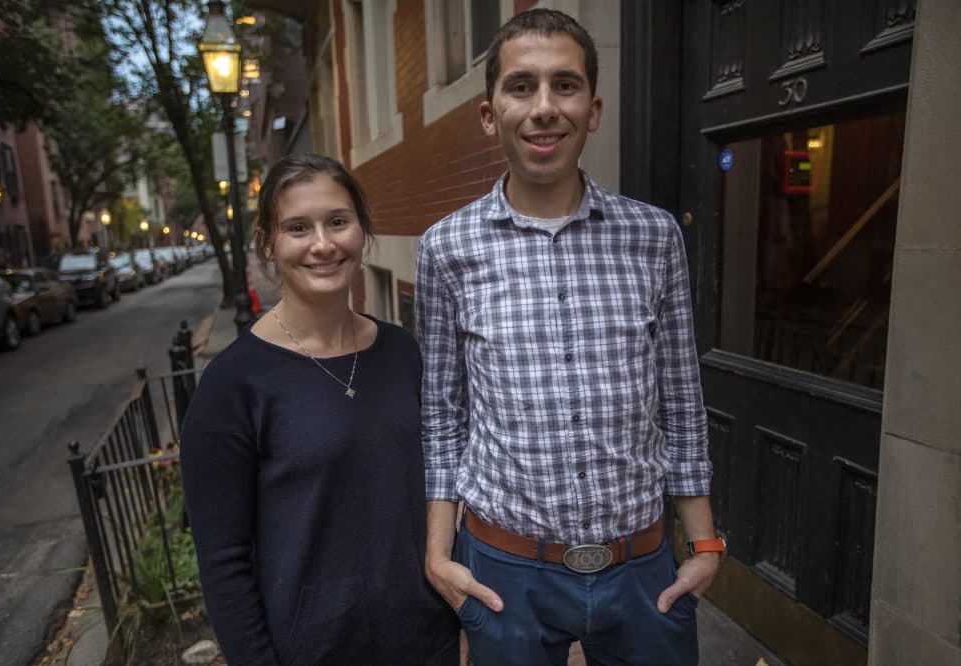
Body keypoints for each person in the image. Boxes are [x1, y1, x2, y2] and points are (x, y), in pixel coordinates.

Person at [416, 9, 724, 665]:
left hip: (642, 567)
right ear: (488, 112)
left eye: (566, 85)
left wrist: (704, 545)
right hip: (508, 573)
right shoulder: (446, 249)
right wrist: (438, 554)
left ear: (594, 109)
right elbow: (443, 411)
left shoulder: (654, 236)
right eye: (521, 87)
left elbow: (680, 394)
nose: (544, 108)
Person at [182, 154, 458, 665]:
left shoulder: (403, 354)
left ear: (361, 230)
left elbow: (442, 487)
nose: (323, 244)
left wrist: (462, 626)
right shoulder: (233, 385)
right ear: (268, 244)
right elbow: (223, 565)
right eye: (297, 228)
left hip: (425, 642)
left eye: (338, 221)